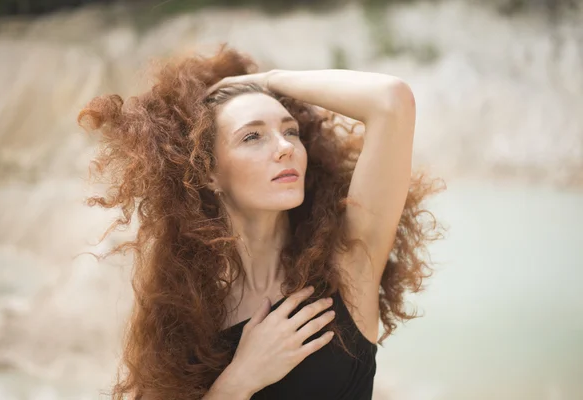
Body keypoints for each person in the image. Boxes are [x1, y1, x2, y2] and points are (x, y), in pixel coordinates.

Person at [78, 45, 442, 400]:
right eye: (253, 136)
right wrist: (239, 381)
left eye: (291, 131)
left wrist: (270, 80)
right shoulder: (186, 313)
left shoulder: (348, 267)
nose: (285, 147)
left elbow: (391, 101)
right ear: (210, 174)